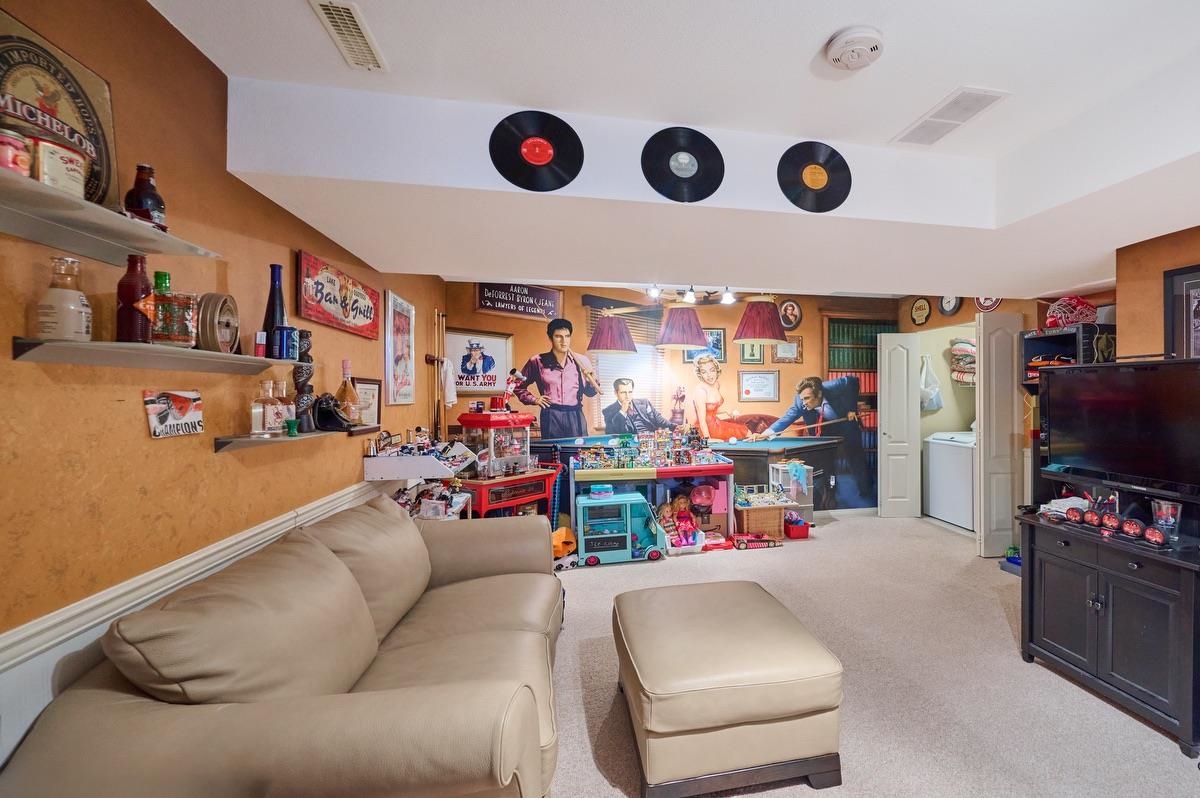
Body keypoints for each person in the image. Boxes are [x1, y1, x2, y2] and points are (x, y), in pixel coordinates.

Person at [751, 375, 872, 498]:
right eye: (802, 399)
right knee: (826, 461)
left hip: (846, 423)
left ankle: (866, 491)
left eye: (807, 398)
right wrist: (764, 435)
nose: (804, 403)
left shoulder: (831, 387)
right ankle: (830, 494)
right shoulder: (800, 402)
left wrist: (851, 408)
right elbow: (786, 419)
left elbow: (852, 381)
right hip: (824, 428)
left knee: (855, 457)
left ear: (819, 394)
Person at [515, 318, 600, 439]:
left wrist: (592, 381)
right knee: (553, 450)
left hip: (575, 415)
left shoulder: (582, 361)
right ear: (550, 338)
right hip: (551, 415)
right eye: (558, 336)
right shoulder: (537, 361)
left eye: (567, 336)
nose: (564, 341)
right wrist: (534, 399)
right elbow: (518, 386)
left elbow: (590, 393)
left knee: (579, 449)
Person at [690, 352, 750, 441]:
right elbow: (702, 420)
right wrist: (708, 439)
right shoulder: (700, 391)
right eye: (704, 372)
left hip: (715, 424)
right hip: (705, 430)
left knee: (747, 432)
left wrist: (726, 411)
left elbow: (711, 410)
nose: (709, 375)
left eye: (712, 370)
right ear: (700, 374)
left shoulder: (716, 384)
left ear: (716, 370)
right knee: (744, 433)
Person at [602, 378, 675, 434]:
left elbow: (659, 420)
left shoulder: (645, 403)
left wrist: (675, 427)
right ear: (616, 393)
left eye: (630, 392)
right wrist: (622, 412)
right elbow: (612, 434)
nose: (627, 396)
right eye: (623, 392)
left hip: (650, 440)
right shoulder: (608, 411)